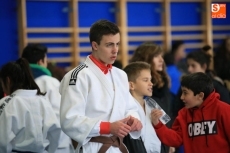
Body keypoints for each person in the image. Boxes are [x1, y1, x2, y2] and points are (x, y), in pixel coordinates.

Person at [59, 19, 142, 153]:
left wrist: (134, 120)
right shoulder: (78, 76)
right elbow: (70, 120)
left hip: (118, 147)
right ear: (95, 45)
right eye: (109, 45)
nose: (115, 50)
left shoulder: (120, 75)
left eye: (117, 44)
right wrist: (108, 127)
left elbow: (130, 108)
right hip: (92, 147)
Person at [151, 72, 230, 153]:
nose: (181, 97)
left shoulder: (224, 110)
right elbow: (176, 139)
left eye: (185, 93)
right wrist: (158, 125)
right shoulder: (183, 114)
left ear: (200, 96)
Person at [0, 58, 61, 153]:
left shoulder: (6, 103)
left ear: (7, 80)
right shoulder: (43, 101)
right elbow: (55, 132)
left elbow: (2, 140)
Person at [21, 44, 73, 153]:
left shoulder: (19, 85)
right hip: (56, 145)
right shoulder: (49, 82)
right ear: (41, 61)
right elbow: (60, 116)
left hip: (26, 146)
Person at [130, 42, 172, 153]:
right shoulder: (136, 90)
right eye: (156, 56)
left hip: (162, 136)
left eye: (161, 56)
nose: (161, 60)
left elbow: (168, 113)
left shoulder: (163, 81)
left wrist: (169, 139)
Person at [123, 61, 161, 153]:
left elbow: (165, 125)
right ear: (131, 85)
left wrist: (168, 144)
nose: (151, 83)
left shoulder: (152, 104)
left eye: (150, 80)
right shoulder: (125, 107)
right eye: (145, 80)